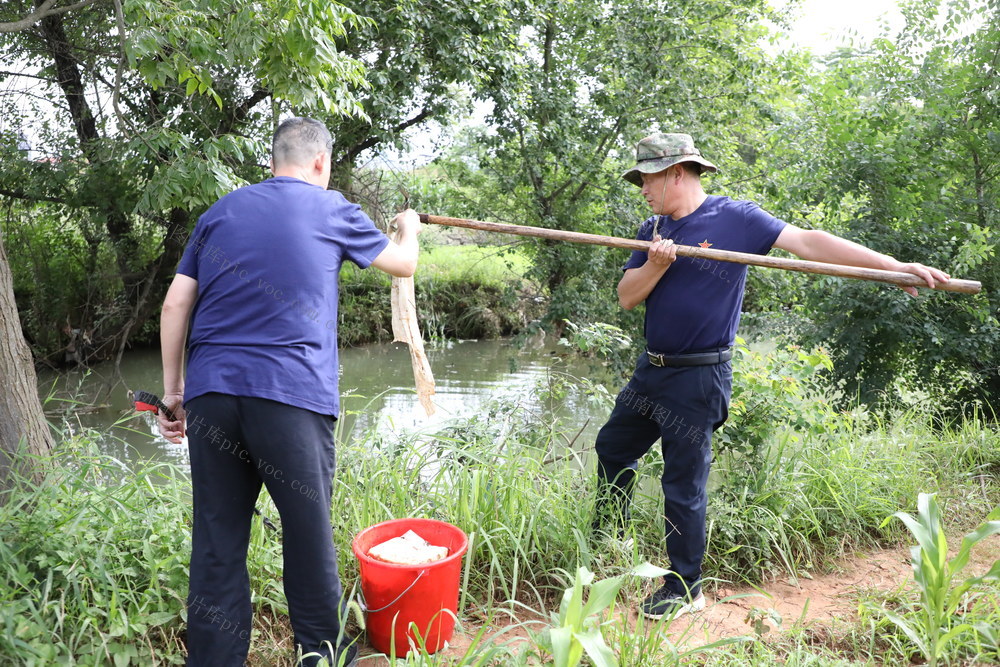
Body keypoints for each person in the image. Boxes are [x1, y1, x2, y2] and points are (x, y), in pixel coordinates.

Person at [593, 132, 949, 620]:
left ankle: (684, 587)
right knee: (613, 446)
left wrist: (892, 267)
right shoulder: (652, 227)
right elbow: (628, 296)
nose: (642, 189)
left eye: (648, 178)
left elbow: (807, 243)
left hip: (697, 378)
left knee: (682, 482)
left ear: (678, 172)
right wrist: (655, 264)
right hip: (651, 371)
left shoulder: (735, 218)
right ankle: (604, 543)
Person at [157, 116, 421, 666]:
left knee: (216, 541)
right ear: (321, 162)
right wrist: (409, 225)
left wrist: (174, 393)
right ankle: (320, 656)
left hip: (212, 396)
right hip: (291, 395)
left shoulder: (219, 213)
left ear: (273, 161)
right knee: (306, 536)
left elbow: (175, 305)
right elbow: (405, 264)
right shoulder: (332, 209)